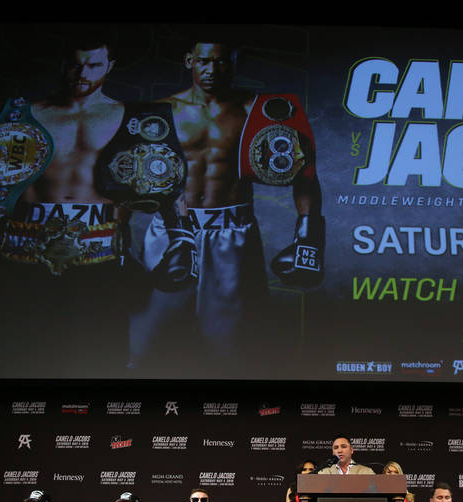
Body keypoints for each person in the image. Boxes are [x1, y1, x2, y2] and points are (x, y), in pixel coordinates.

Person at [0, 30, 132, 375]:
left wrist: (178, 236)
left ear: (110, 65)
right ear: (62, 65)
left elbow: (164, 182)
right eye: (74, 65)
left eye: (94, 65)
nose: (82, 74)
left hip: (97, 258)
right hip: (22, 254)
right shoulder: (22, 114)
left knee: (93, 361)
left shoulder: (130, 117)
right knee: (8, 355)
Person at [129, 38, 325, 370]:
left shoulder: (258, 111)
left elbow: (302, 172)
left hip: (232, 231)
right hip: (172, 228)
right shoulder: (161, 111)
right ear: (190, 60)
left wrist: (309, 236)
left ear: (234, 64)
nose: (212, 70)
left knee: (232, 345)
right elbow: (134, 175)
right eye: (204, 61)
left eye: (221, 62)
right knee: (146, 341)